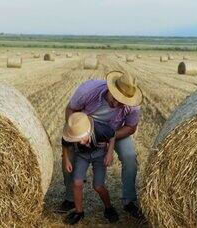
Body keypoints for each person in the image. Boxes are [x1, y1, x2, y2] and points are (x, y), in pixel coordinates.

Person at [59, 70, 143, 219]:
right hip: (85, 129)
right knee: (69, 157)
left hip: (115, 131)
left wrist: (108, 137)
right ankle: (70, 199)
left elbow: (131, 128)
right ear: (110, 88)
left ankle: (129, 201)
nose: (116, 104)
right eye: (115, 98)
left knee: (130, 158)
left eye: (121, 102)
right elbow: (70, 109)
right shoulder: (88, 90)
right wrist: (78, 132)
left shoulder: (133, 105)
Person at [61, 112, 119, 225]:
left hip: (99, 155)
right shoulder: (72, 132)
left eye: (82, 138)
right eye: (76, 140)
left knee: (98, 186)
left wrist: (110, 153)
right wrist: (67, 160)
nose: (80, 142)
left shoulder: (100, 129)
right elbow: (64, 143)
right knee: (77, 182)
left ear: (89, 130)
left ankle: (109, 208)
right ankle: (79, 212)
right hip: (81, 156)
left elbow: (112, 135)